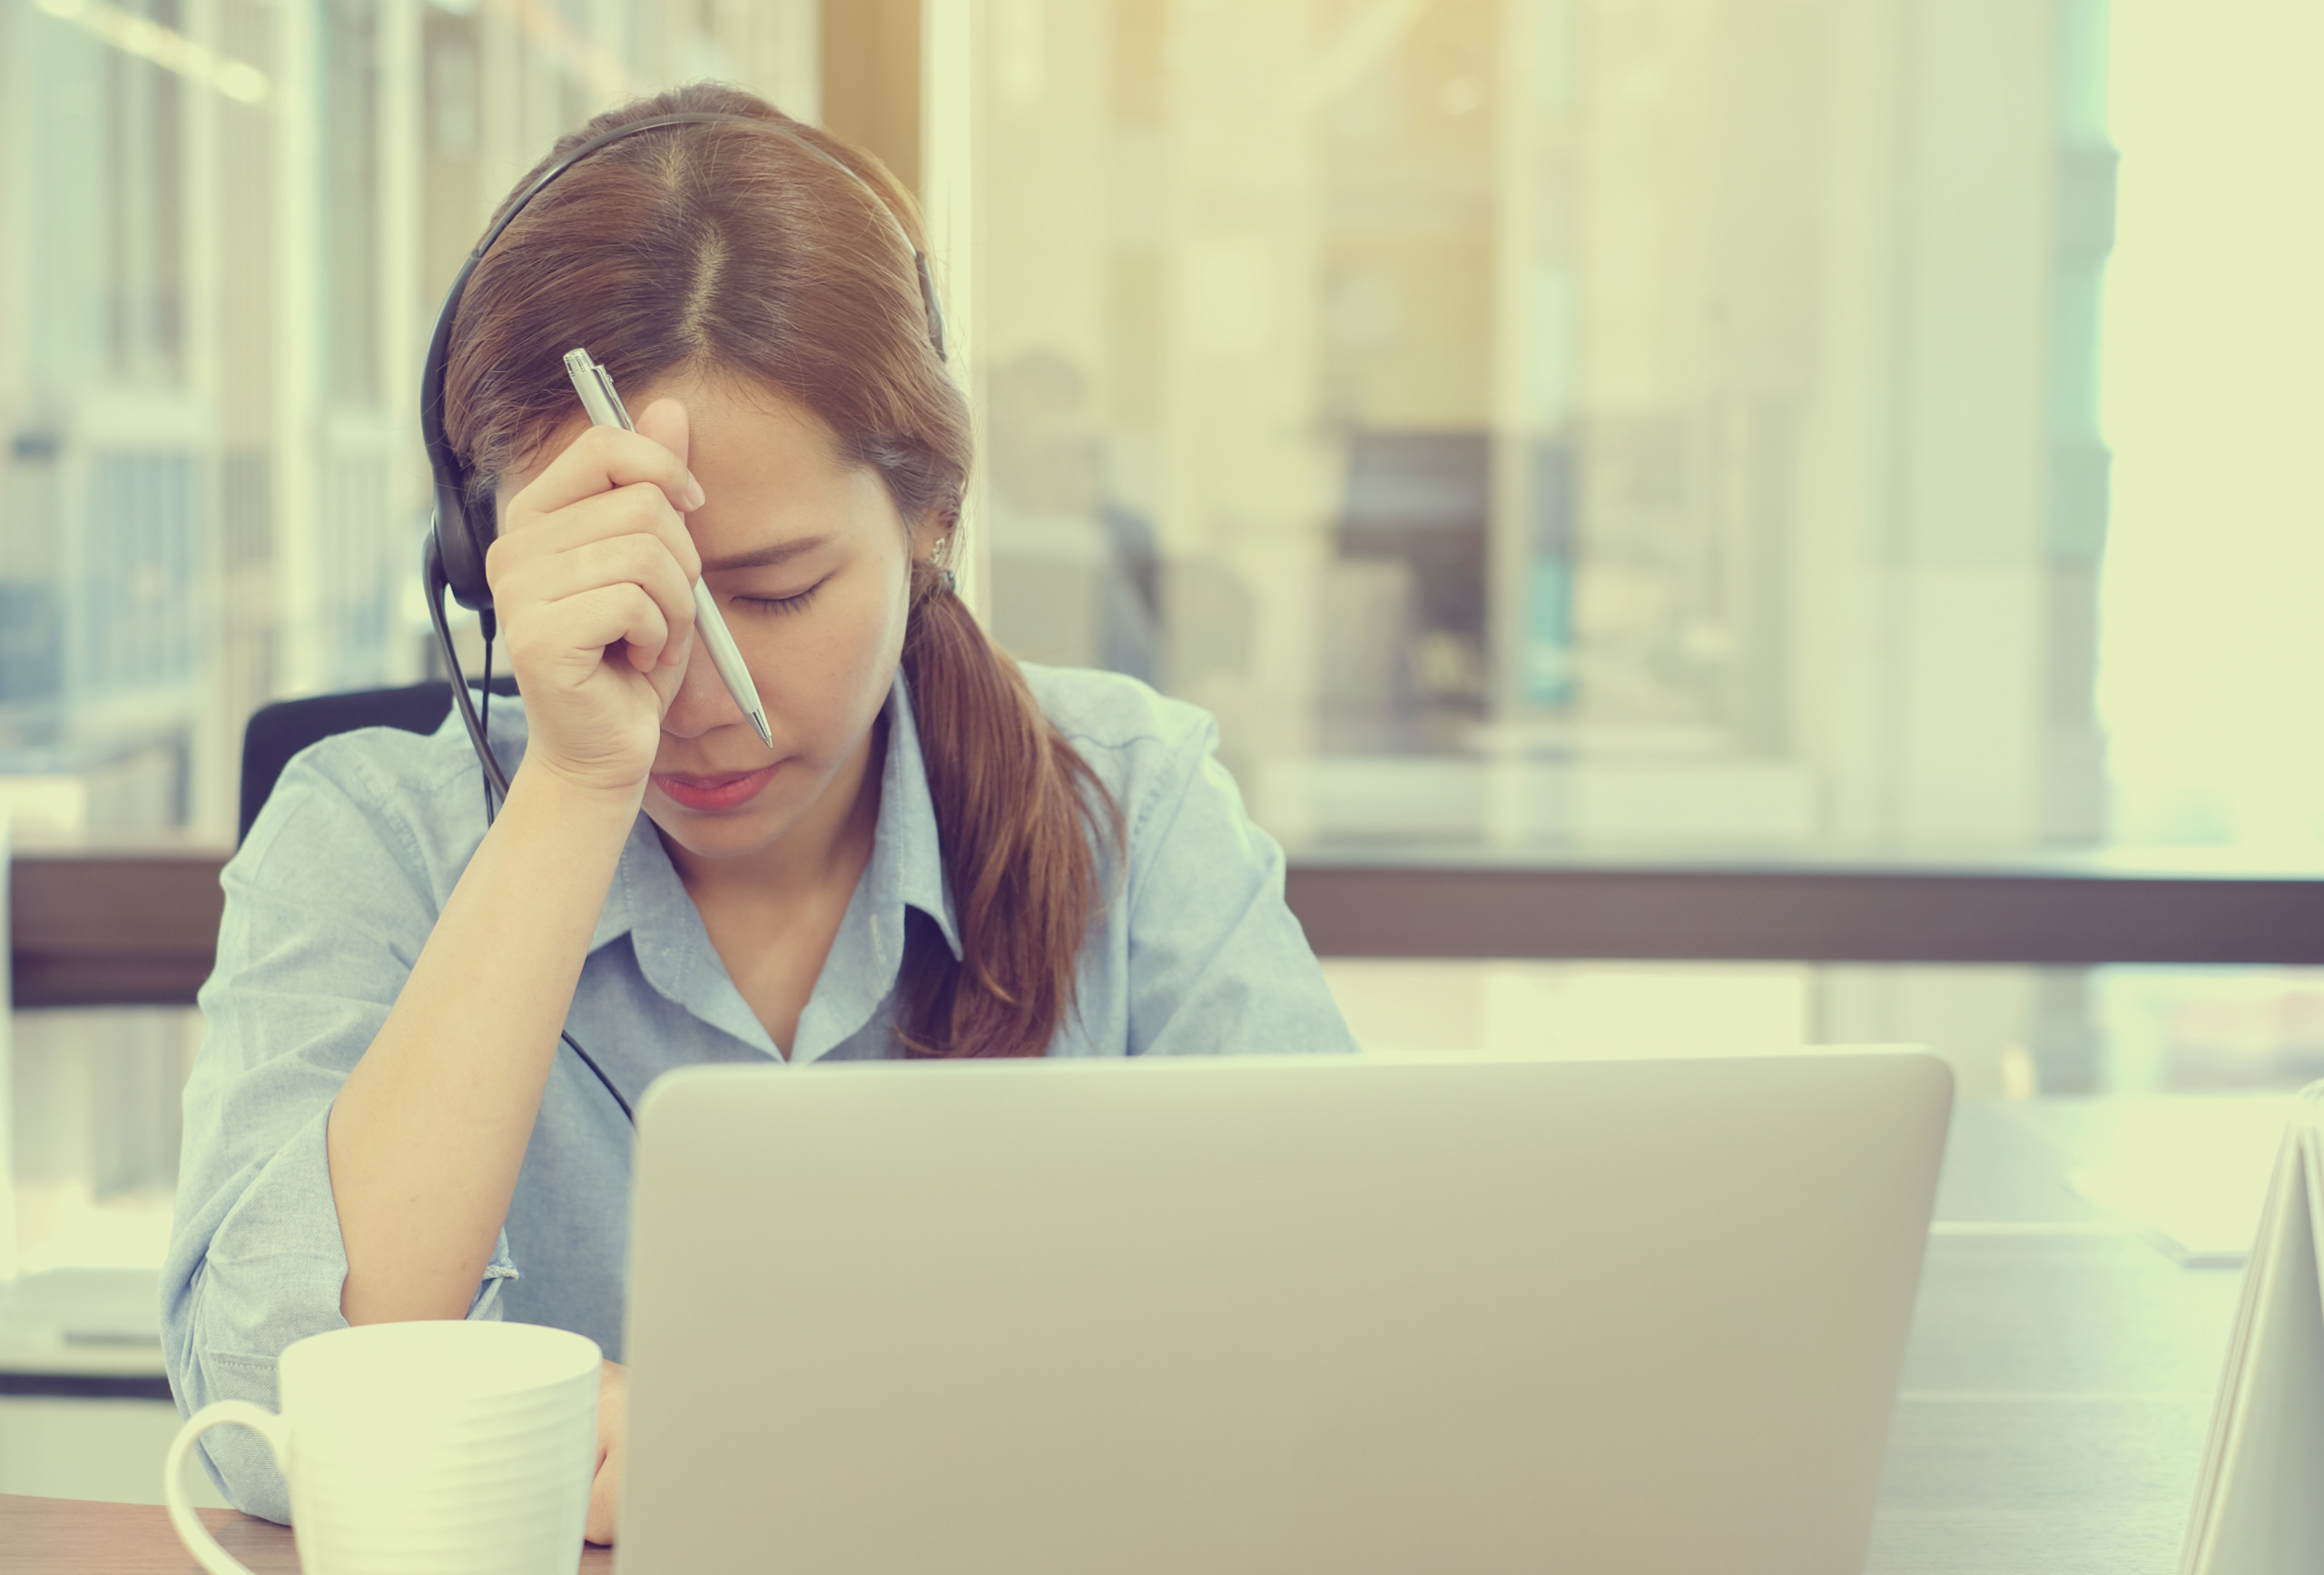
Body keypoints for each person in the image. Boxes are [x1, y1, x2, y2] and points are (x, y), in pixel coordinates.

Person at [162, 84, 1355, 1542]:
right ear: (488, 564)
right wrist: (575, 786)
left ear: (932, 520)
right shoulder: (363, 840)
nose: (702, 699)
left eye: (779, 592)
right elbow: (267, 1412)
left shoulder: (1133, 803)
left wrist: (779, 1444)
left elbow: (1334, 1345)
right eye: (625, 596)